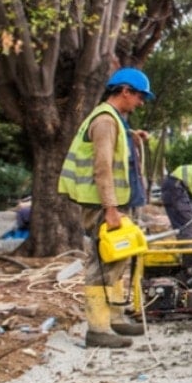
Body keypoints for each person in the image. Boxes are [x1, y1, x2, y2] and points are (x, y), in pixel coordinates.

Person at [57, 68, 153, 348]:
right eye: (140, 96)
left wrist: (133, 136)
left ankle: (115, 317)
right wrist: (110, 208)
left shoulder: (116, 122)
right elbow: (102, 167)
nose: (141, 102)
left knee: (118, 259)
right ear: (125, 91)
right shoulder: (104, 121)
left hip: (119, 203)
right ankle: (98, 328)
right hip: (104, 206)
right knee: (102, 262)